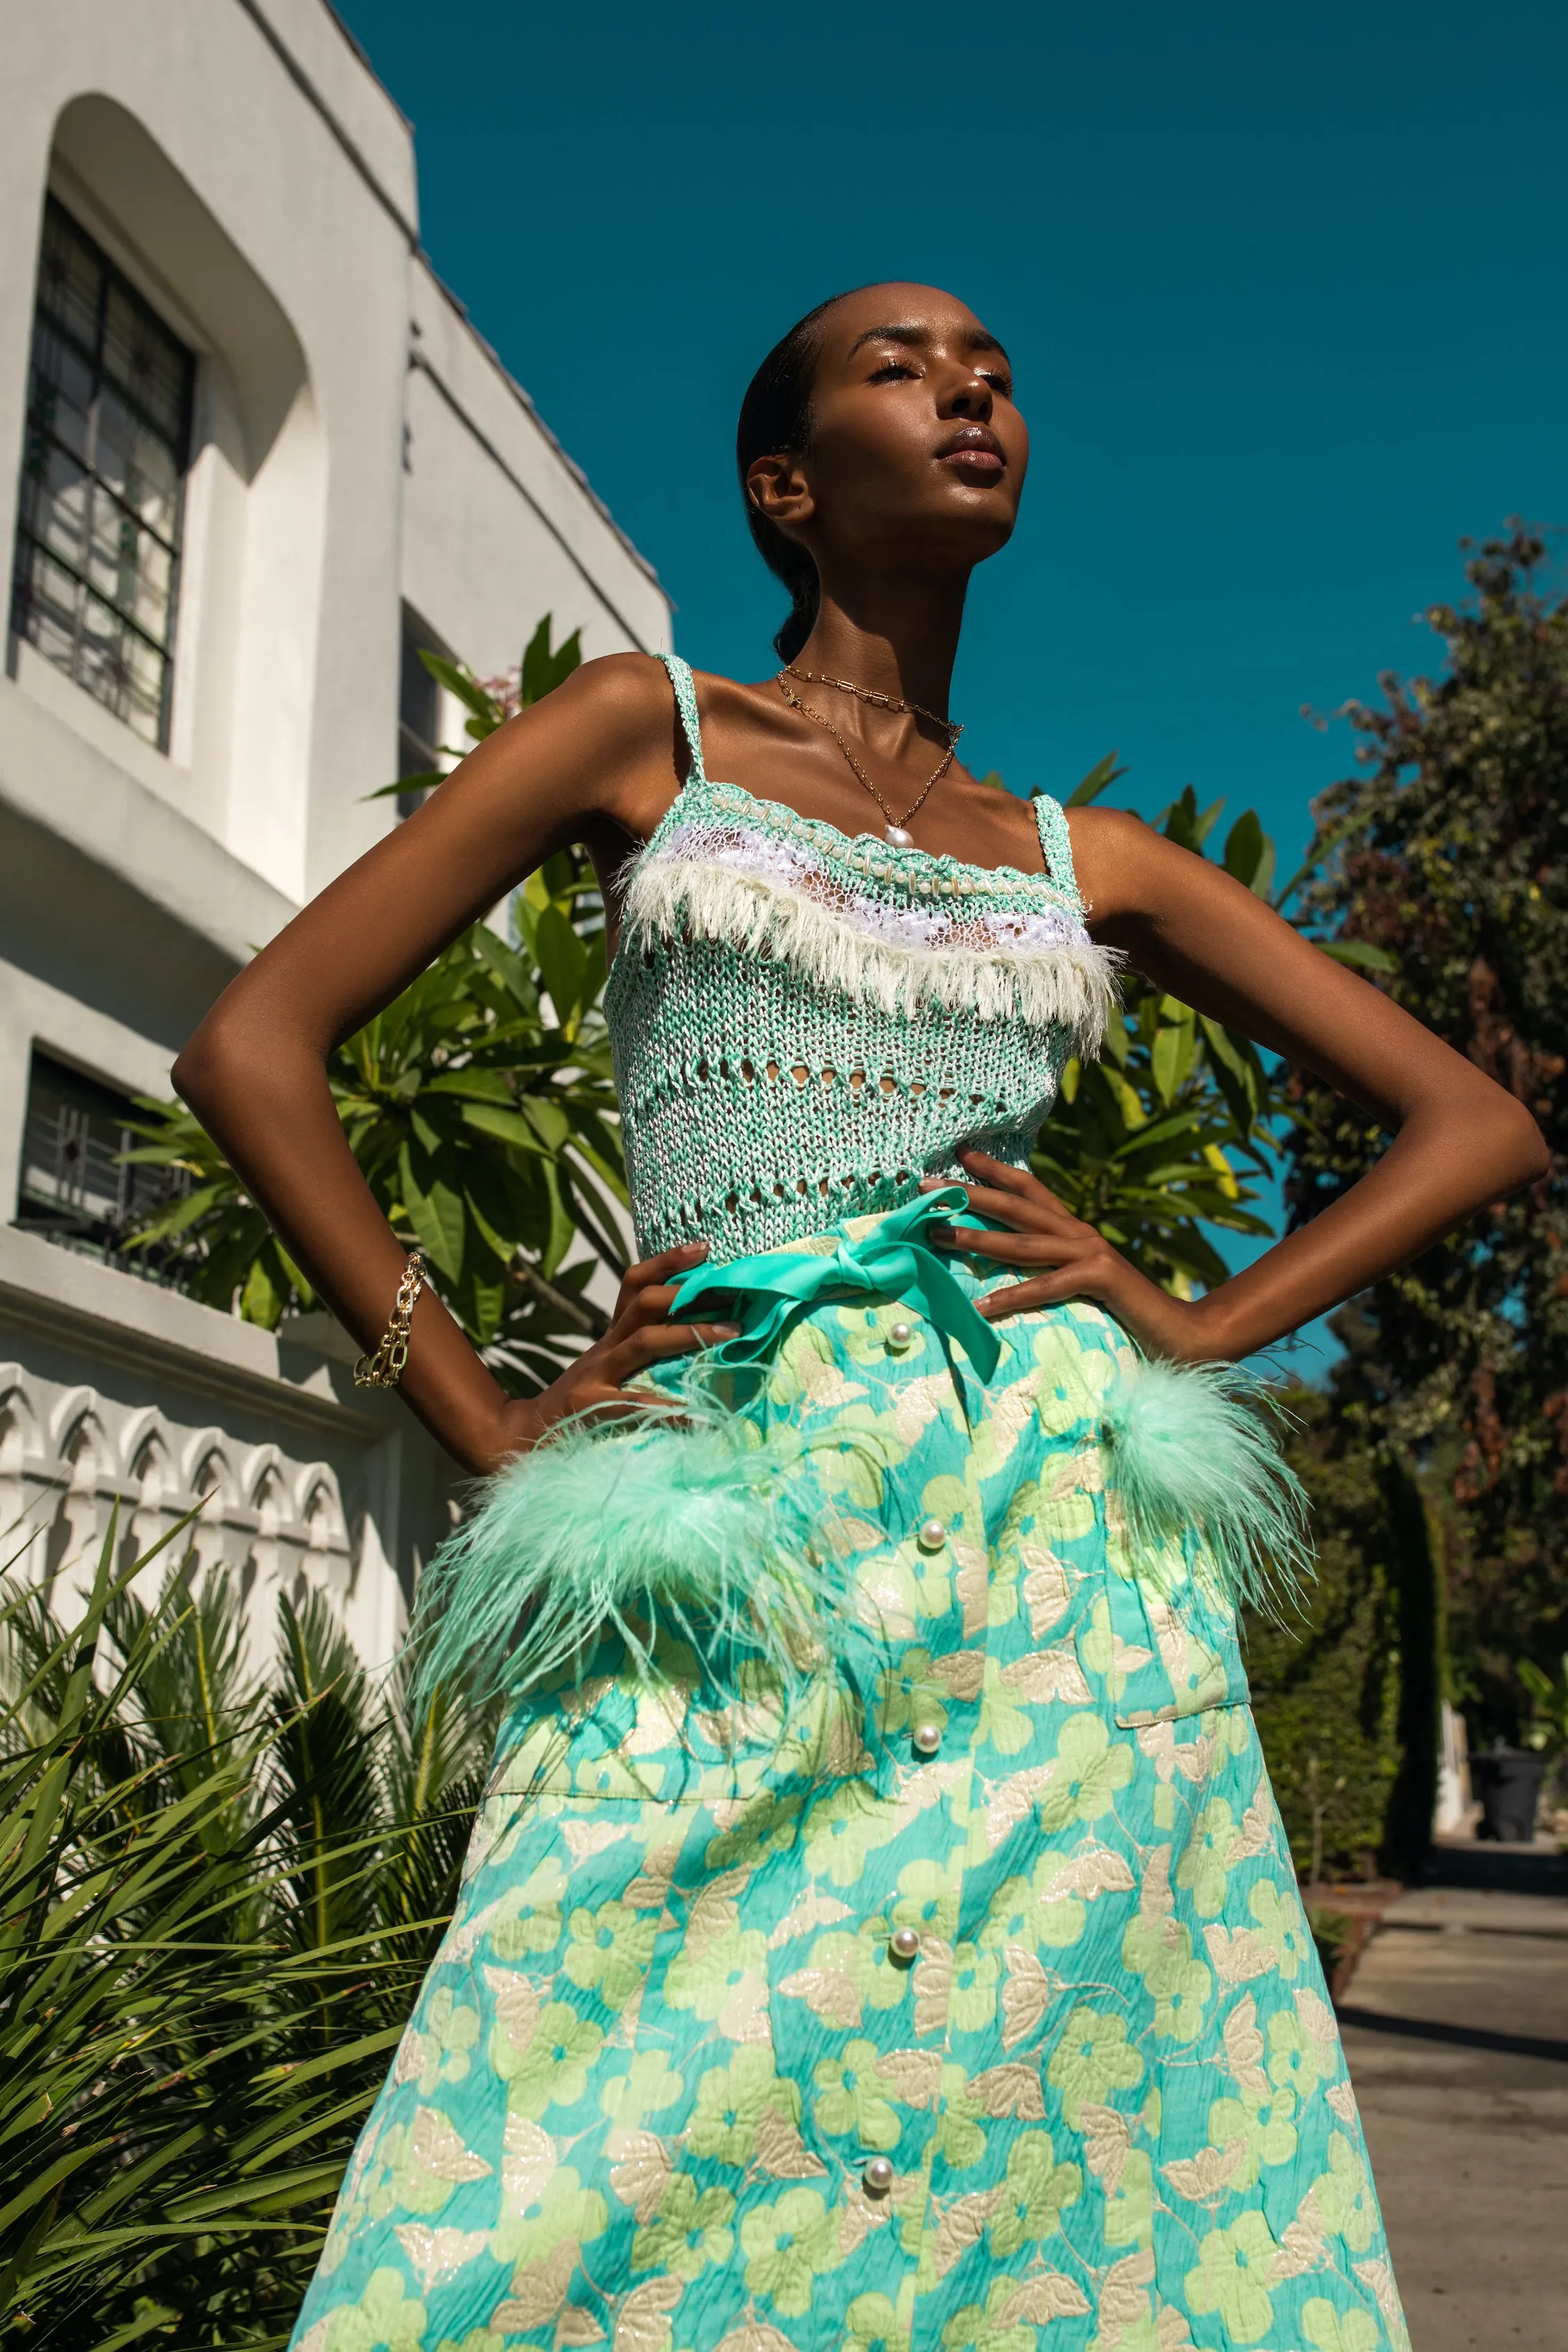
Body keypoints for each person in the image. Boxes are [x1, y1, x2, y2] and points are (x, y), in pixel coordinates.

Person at [177, 284, 1545, 2351]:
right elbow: (254, 1045)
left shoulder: (1083, 860)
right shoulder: (651, 729)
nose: (970, 386)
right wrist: (466, 1404)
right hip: (739, 1536)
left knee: (1073, 2103)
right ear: (785, 484)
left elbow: (1473, 1124)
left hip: (1059, 1564)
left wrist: (1190, 1320)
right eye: (900, 365)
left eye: (993, 365)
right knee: (583, 2101)